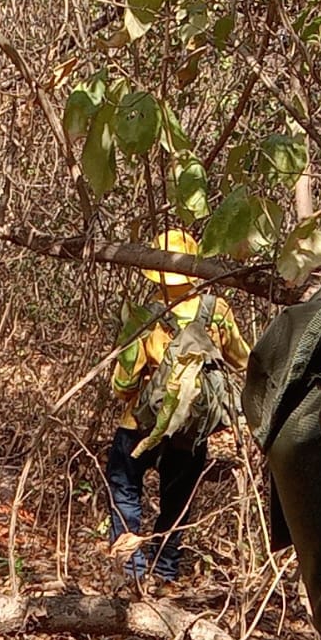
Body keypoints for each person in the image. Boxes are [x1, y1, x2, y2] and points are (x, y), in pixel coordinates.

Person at [105, 229, 248, 583]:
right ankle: (166, 572)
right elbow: (242, 359)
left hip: (139, 427)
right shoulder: (217, 311)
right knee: (177, 504)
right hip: (190, 432)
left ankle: (132, 573)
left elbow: (122, 386)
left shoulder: (144, 318)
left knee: (125, 493)